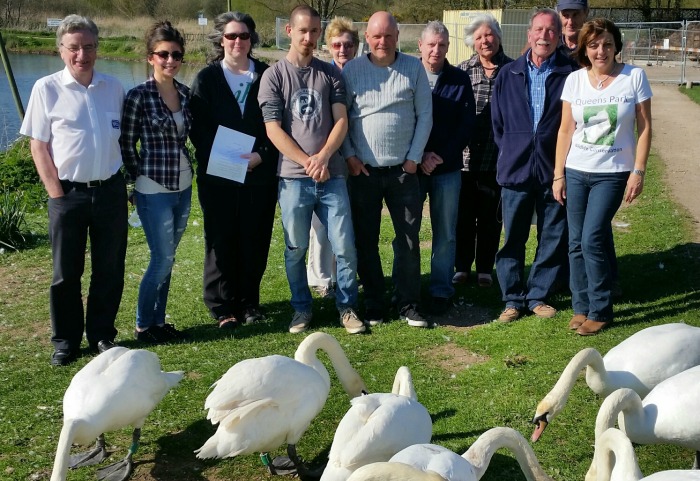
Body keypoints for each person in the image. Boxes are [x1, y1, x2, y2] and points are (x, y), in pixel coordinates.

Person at [19, 15, 127, 365]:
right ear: (61, 50)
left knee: (109, 269)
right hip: (68, 194)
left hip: (109, 191)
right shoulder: (46, 88)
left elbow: (122, 139)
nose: (82, 54)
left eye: (89, 47)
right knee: (66, 273)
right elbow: (39, 146)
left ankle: (101, 336)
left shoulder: (114, 87)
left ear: (98, 47)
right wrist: (56, 195)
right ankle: (65, 341)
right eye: (74, 48)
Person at [258, 5, 364, 334]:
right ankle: (301, 309)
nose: (308, 37)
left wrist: (323, 157)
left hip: (332, 176)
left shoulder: (331, 75)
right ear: (289, 31)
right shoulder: (273, 76)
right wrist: (307, 162)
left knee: (344, 245)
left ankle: (347, 308)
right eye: (303, 31)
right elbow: (273, 129)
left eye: (314, 31)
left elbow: (341, 120)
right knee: (296, 248)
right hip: (293, 179)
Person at [553, 19, 652, 335]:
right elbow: (566, 129)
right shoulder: (574, 81)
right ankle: (580, 306)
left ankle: (601, 309)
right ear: (584, 49)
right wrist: (558, 175)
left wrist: (638, 170)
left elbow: (646, 127)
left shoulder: (633, 77)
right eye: (594, 45)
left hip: (613, 173)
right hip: (576, 169)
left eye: (607, 43)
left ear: (616, 46)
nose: (601, 51)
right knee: (575, 241)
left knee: (592, 238)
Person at [342, 11, 432, 327]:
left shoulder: (413, 68)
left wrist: (413, 159)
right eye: (377, 36)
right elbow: (343, 118)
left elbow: (425, 116)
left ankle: (408, 302)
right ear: (367, 37)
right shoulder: (352, 70)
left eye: (389, 36)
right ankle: (375, 303)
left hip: (403, 172)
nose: (383, 41)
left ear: (397, 36)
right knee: (365, 240)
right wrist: (350, 157)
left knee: (408, 240)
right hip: (363, 172)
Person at [189, 12, 279, 329]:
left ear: (252, 39)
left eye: (243, 35)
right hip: (218, 176)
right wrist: (225, 158)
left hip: (259, 175)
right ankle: (222, 306)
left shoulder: (268, 76)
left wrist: (261, 156)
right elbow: (197, 129)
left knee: (254, 239)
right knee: (221, 239)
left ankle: (249, 303)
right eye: (231, 36)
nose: (237, 41)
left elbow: (279, 125)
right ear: (221, 40)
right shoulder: (207, 79)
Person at [491, 8, 578, 323]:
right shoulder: (508, 73)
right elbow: (498, 124)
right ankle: (512, 298)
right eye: (539, 30)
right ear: (528, 35)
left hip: (554, 171)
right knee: (513, 236)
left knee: (552, 235)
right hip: (515, 170)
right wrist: (514, 149)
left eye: (551, 30)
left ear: (558, 36)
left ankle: (538, 295)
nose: (544, 35)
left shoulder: (571, 74)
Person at [120, 21, 191, 344]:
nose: (170, 60)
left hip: (183, 187)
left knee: (169, 259)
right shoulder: (138, 96)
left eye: (175, 55)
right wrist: (136, 180)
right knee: (161, 259)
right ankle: (143, 325)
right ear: (151, 57)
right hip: (153, 190)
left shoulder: (186, 94)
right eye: (163, 54)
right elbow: (126, 143)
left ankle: (158, 322)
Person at [417, 20, 475, 315]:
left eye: (441, 45)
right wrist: (419, 155)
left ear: (448, 47)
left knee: (445, 233)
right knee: (407, 232)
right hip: (412, 168)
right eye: (431, 44)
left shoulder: (459, 79)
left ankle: (441, 289)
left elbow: (466, 125)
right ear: (421, 46)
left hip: (447, 168)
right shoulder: (408, 74)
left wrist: (437, 155)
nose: (436, 50)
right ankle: (410, 289)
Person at [454, 14, 513, 289]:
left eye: (488, 35)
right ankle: (462, 267)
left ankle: (486, 269)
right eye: (478, 37)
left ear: (498, 36)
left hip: (499, 160)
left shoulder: (513, 70)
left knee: (491, 218)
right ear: (472, 43)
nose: (484, 41)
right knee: (464, 218)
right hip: (466, 160)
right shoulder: (462, 71)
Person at [306, 16, 360, 299]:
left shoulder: (361, 73)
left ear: (356, 46)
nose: (343, 50)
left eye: (348, 44)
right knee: (320, 223)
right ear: (327, 46)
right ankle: (320, 276)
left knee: (345, 222)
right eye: (337, 44)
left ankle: (346, 274)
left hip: (355, 160)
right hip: (324, 159)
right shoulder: (322, 74)